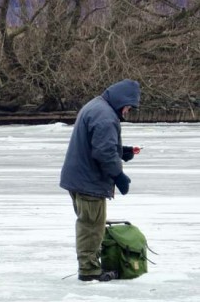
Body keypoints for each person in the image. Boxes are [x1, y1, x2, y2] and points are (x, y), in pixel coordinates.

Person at [60, 79, 141, 282]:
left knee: (90, 225)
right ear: (122, 101)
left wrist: (122, 152)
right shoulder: (105, 116)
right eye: (129, 107)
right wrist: (119, 177)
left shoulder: (97, 106)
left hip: (80, 178)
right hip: (89, 182)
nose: (128, 111)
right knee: (91, 228)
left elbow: (96, 144)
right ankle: (89, 271)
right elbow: (103, 152)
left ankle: (91, 265)